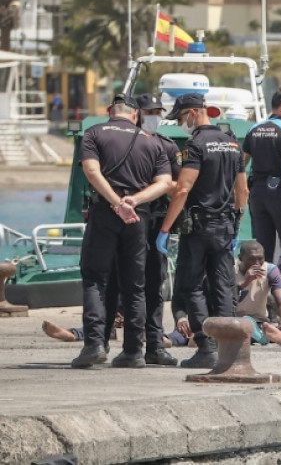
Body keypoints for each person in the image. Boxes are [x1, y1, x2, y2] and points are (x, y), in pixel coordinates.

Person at [71, 94, 173, 369]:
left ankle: (94, 345)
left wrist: (117, 203)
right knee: (135, 285)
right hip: (138, 217)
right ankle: (132, 352)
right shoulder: (151, 142)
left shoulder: (94, 133)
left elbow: (92, 172)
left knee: (95, 279)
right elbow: (165, 183)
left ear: (109, 112)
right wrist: (134, 202)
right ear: (135, 114)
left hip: (106, 212)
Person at [157, 93, 248, 368]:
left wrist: (165, 229)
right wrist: (236, 223)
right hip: (225, 226)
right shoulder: (232, 144)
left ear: (194, 113)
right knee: (223, 286)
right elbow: (242, 190)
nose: (182, 123)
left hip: (198, 226)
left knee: (191, 284)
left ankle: (206, 346)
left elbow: (183, 188)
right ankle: (229, 348)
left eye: (182, 117)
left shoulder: (196, 144)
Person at [134, 93, 182, 366]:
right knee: (122, 285)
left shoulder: (168, 146)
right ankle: (123, 344)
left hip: (155, 222)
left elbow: (178, 185)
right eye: (148, 111)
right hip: (128, 220)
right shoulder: (126, 143)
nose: (153, 116)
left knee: (154, 284)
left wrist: (157, 186)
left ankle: (154, 344)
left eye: (157, 111)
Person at [243, 88, 281, 274]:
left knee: (262, 249)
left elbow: (241, 164)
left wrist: (241, 192)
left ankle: (261, 293)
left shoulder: (254, 129)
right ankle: (277, 283)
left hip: (257, 194)